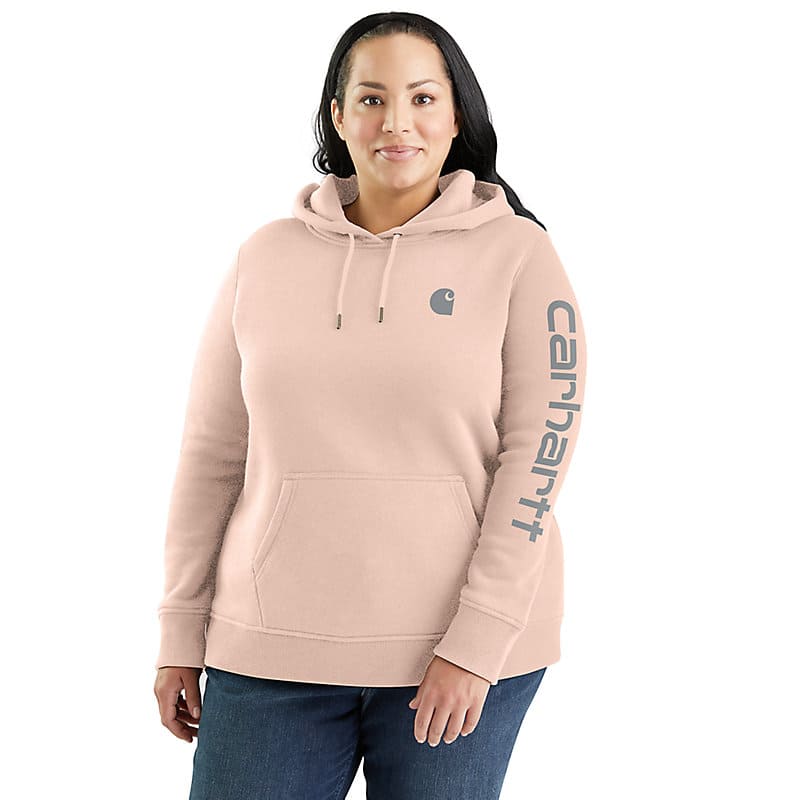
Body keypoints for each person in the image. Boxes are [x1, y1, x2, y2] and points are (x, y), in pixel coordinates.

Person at [153, 11, 587, 800]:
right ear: (338, 115)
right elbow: (211, 455)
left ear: (456, 117)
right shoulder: (264, 257)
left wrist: (478, 639)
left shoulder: (521, 254)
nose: (397, 122)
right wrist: (180, 628)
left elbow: (539, 455)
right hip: (270, 647)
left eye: (422, 98)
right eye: (372, 99)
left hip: (455, 652)